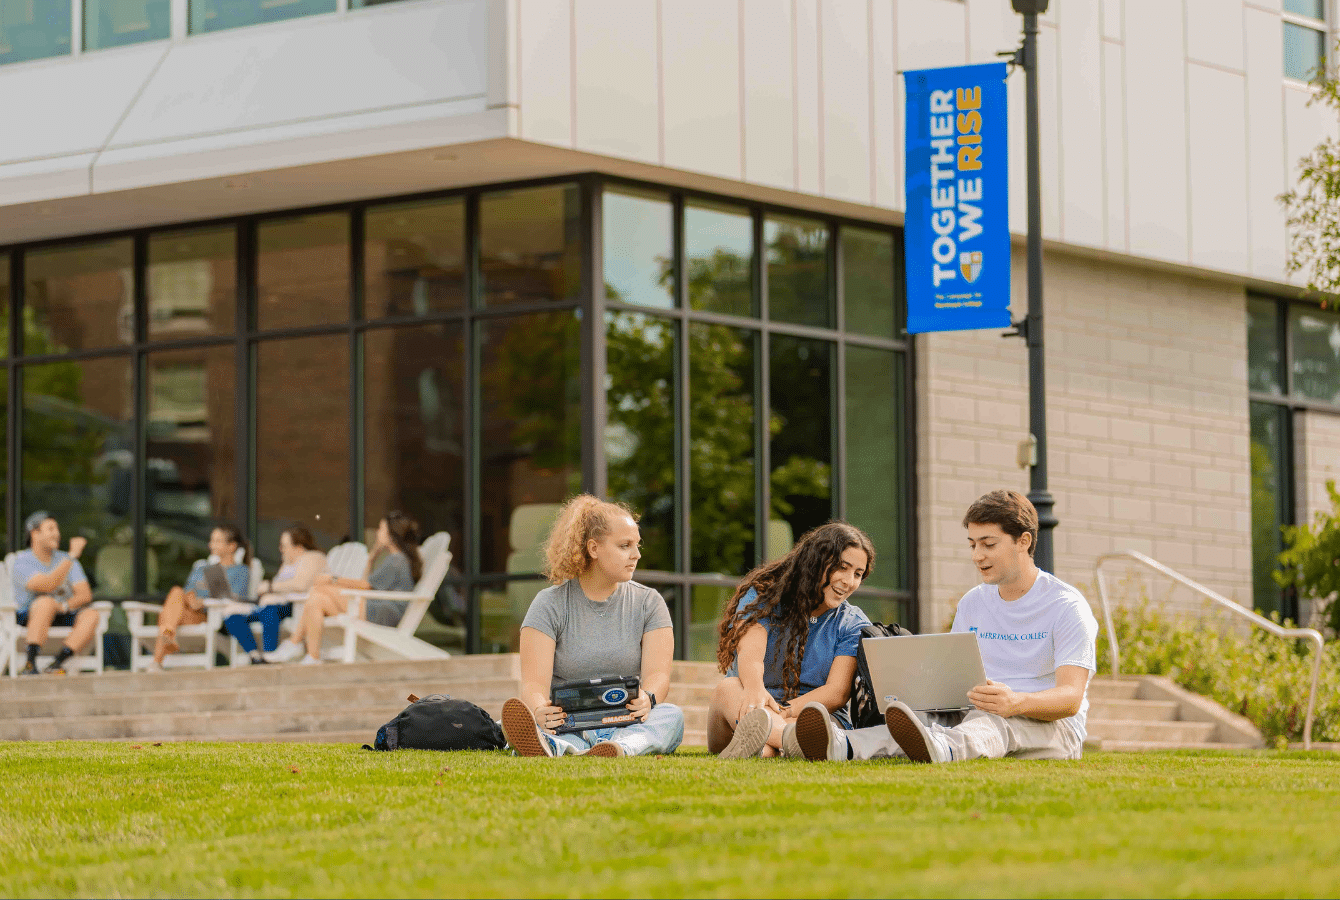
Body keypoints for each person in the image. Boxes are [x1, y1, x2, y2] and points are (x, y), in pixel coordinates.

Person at [792, 490, 1098, 764]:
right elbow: (952, 676)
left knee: (994, 725)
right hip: (975, 710)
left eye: (988, 544)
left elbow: (1070, 698)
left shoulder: (1066, 606)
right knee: (924, 717)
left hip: (1051, 727)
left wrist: (1015, 702)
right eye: (973, 544)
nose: (978, 556)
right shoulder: (973, 602)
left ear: (1024, 541)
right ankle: (840, 745)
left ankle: (942, 749)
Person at [498, 495, 684, 758]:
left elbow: (658, 677)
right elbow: (533, 686)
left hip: (628, 722)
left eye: (637, 545)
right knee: (541, 724)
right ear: (594, 548)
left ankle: (616, 748)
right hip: (569, 723)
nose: (637, 554)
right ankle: (558, 744)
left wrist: (648, 698)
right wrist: (540, 709)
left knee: (670, 715)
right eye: (625, 546)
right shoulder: (549, 604)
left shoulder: (650, 603)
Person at [708, 521, 875, 759]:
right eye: (842, 568)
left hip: (813, 715)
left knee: (768, 747)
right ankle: (792, 741)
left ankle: (768, 746)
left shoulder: (852, 622)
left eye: (858, 574)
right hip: (750, 706)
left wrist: (780, 714)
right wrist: (755, 690)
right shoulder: (763, 595)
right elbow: (751, 651)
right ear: (817, 562)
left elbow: (836, 692)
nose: (849, 581)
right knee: (728, 687)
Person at [268, 511, 420, 665]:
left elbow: (366, 586)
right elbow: (367, 583)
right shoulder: (396, 559)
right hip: (375, 607)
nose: (377, 532)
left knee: (321, 588)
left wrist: (333, 579)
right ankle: (312, 656)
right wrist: (370, 559)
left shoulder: (397, 560)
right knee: (317, 599)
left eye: (381, 529)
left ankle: (295, 643)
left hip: (383, 612)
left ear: (391, 534)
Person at [150, 525, 252, 670]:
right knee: (177, 592)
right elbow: (187, 592)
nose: (211, 545)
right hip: (187, 614)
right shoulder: (202, 568)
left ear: (232, 546)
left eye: (217, 541)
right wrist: (192, 598)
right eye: (211, 541)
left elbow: (235, 600)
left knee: (168, 611)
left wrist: (203, 603)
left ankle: (157, 659)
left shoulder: (240, 571)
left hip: (210, 618)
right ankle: (166, 637)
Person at [223, 525, 326, 665]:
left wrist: (270, 587)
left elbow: (301, 584)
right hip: (270, 605)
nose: (281, 550)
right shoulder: (288, 562)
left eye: (284, 546)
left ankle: (269, 654)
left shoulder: (312, 557)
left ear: (299, 547)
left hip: (293, 608)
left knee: (269, 609)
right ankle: (255, 656)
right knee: (232, 616)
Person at [10, 511, 95, 676]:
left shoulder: (64, 558)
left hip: (61, 611)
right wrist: (71, 557)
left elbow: (85, 595)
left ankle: (58, 663)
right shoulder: (22, 561)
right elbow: (47, 585)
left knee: (91, 614)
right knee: (45, 603)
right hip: (28, 617)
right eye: (51, 529)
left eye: (57, 529)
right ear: (35, 533)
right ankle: (30, 663)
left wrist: (63, 606)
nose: (57, 534)